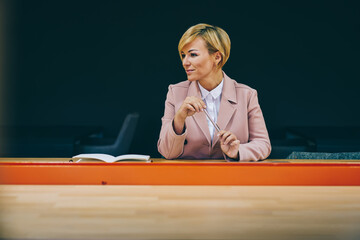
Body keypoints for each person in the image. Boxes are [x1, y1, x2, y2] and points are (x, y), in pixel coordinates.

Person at [157, 23, 271, 161]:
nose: (185, 62)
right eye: (183, 55)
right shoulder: (175, 93)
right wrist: (179, 119)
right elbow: (166, 152)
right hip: (187, 178)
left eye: (193, 54)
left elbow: (263, 144)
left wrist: (237, 151)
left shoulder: (247, 95)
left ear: (217, 57)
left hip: (232, 179)